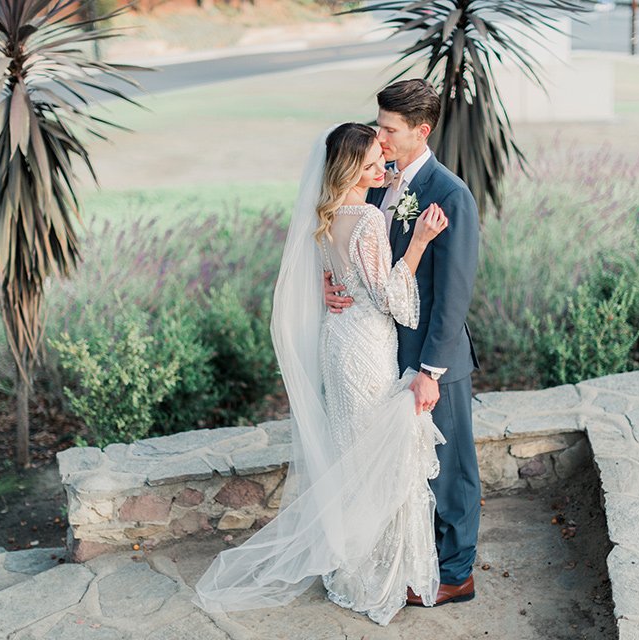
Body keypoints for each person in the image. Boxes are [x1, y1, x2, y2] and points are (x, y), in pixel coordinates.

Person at [192, 123, 449, 625]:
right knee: (377, 454)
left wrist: (328, 292)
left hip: (337, 341)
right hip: (367, 348)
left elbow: (326, 281)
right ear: (353, 167)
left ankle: (351, 566)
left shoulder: (325, 213)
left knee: (351, 451)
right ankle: (375, 573)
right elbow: (392, 300)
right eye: (376, 160)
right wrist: (417, 242)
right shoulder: (370, 220)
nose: (385, 167)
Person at [325, 79, 481, 607]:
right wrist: (335, 282)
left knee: (453, 468)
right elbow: (364, 260)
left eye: (390, 129)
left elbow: (454, 293)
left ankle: (456, 574)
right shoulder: (378, 181)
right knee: (409, 469)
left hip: (433, 361)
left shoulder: (449, 193)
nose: (380, 137)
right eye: (379, 125)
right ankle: (417, 564)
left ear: (422, 130)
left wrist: (430, 370)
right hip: (384, 352)